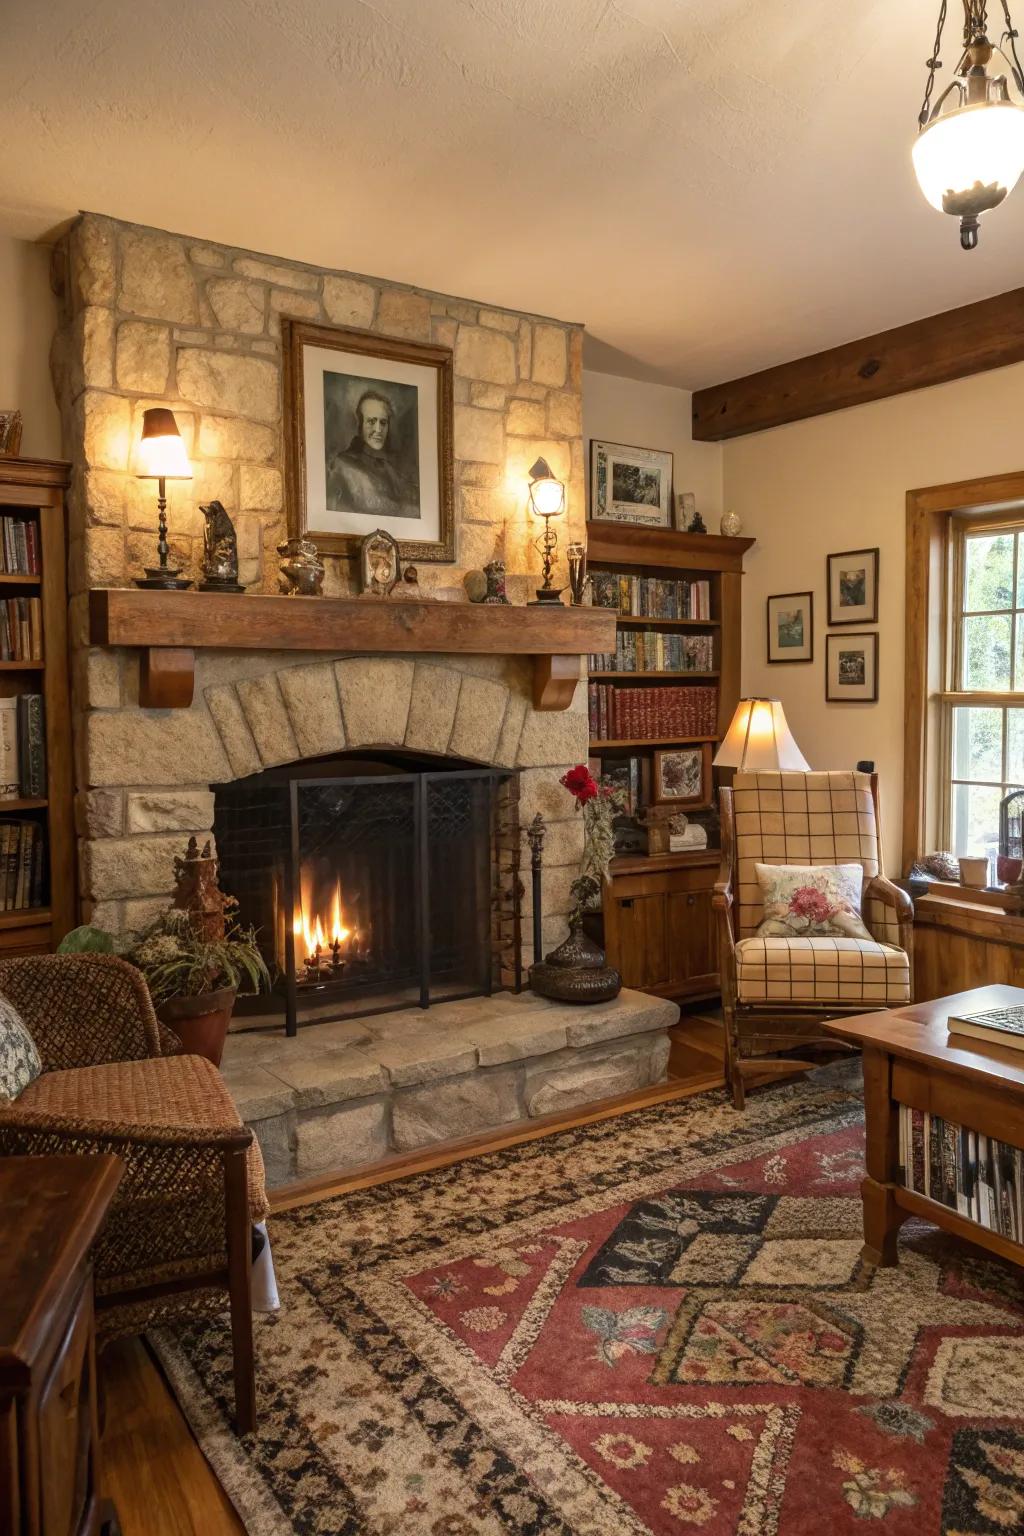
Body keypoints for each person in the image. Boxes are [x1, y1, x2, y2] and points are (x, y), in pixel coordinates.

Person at [326, 388, 419, 518]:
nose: (378, 429)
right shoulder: (342, 464)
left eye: (383, 422)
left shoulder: (391, 470)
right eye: (371, 421)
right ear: (360, 424)